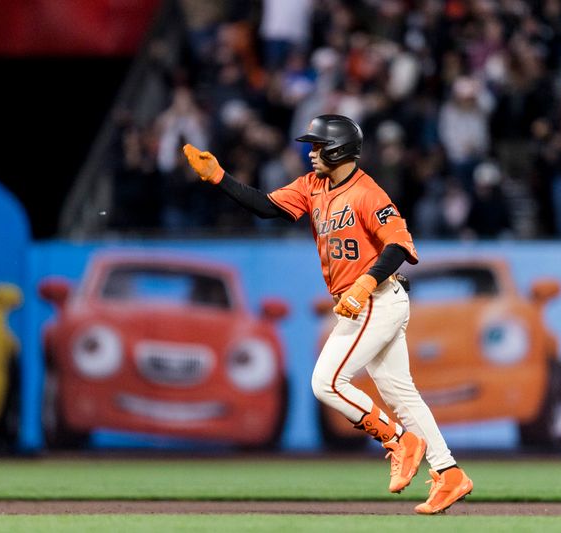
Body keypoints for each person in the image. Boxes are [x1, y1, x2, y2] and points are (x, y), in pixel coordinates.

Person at [182, 114, 473, 514]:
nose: (311, 152)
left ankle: (396, 440)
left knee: (326, 382)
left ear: (339, 149)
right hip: (365, 301)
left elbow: (399, 244)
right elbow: (267, 208)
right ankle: (450, 473)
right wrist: (219, 177)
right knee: (400, 394)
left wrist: (365, 284)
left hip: (377, 298)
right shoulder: (312, 186)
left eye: (318, 146)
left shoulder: (368, 192)